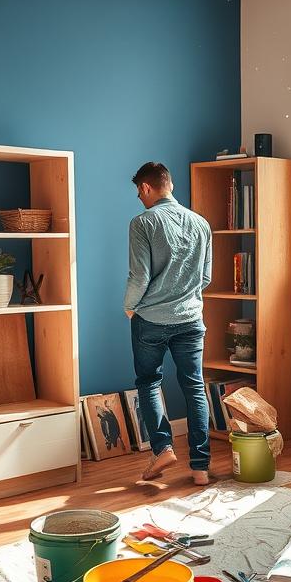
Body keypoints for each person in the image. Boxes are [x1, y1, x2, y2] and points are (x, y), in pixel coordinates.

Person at [124, 161, 213, 484]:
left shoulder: (143, 222)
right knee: (194, 387)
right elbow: (205, 276)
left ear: (146, 188)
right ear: (170, 185)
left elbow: (140, 275)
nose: (140, 198)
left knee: (149, 382)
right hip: (191, 319)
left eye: (139, 193)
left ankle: (162, 448)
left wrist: (130, 307)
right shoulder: (201, 224)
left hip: (151, 319)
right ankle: (200, 468)